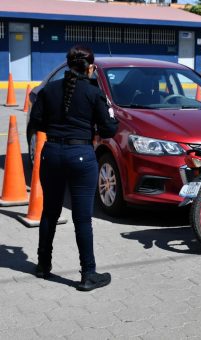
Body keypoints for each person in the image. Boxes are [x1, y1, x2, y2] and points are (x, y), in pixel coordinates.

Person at [29, 45, 119, 291]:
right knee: (82, 219)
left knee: (50, 212)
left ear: (68, 65)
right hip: (80, 156)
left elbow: (36, 122)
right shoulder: (93, 92)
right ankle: (88, 274)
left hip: (52, 154)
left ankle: (42, 265)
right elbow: (110, 129)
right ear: (90, 67)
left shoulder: (49, 89)